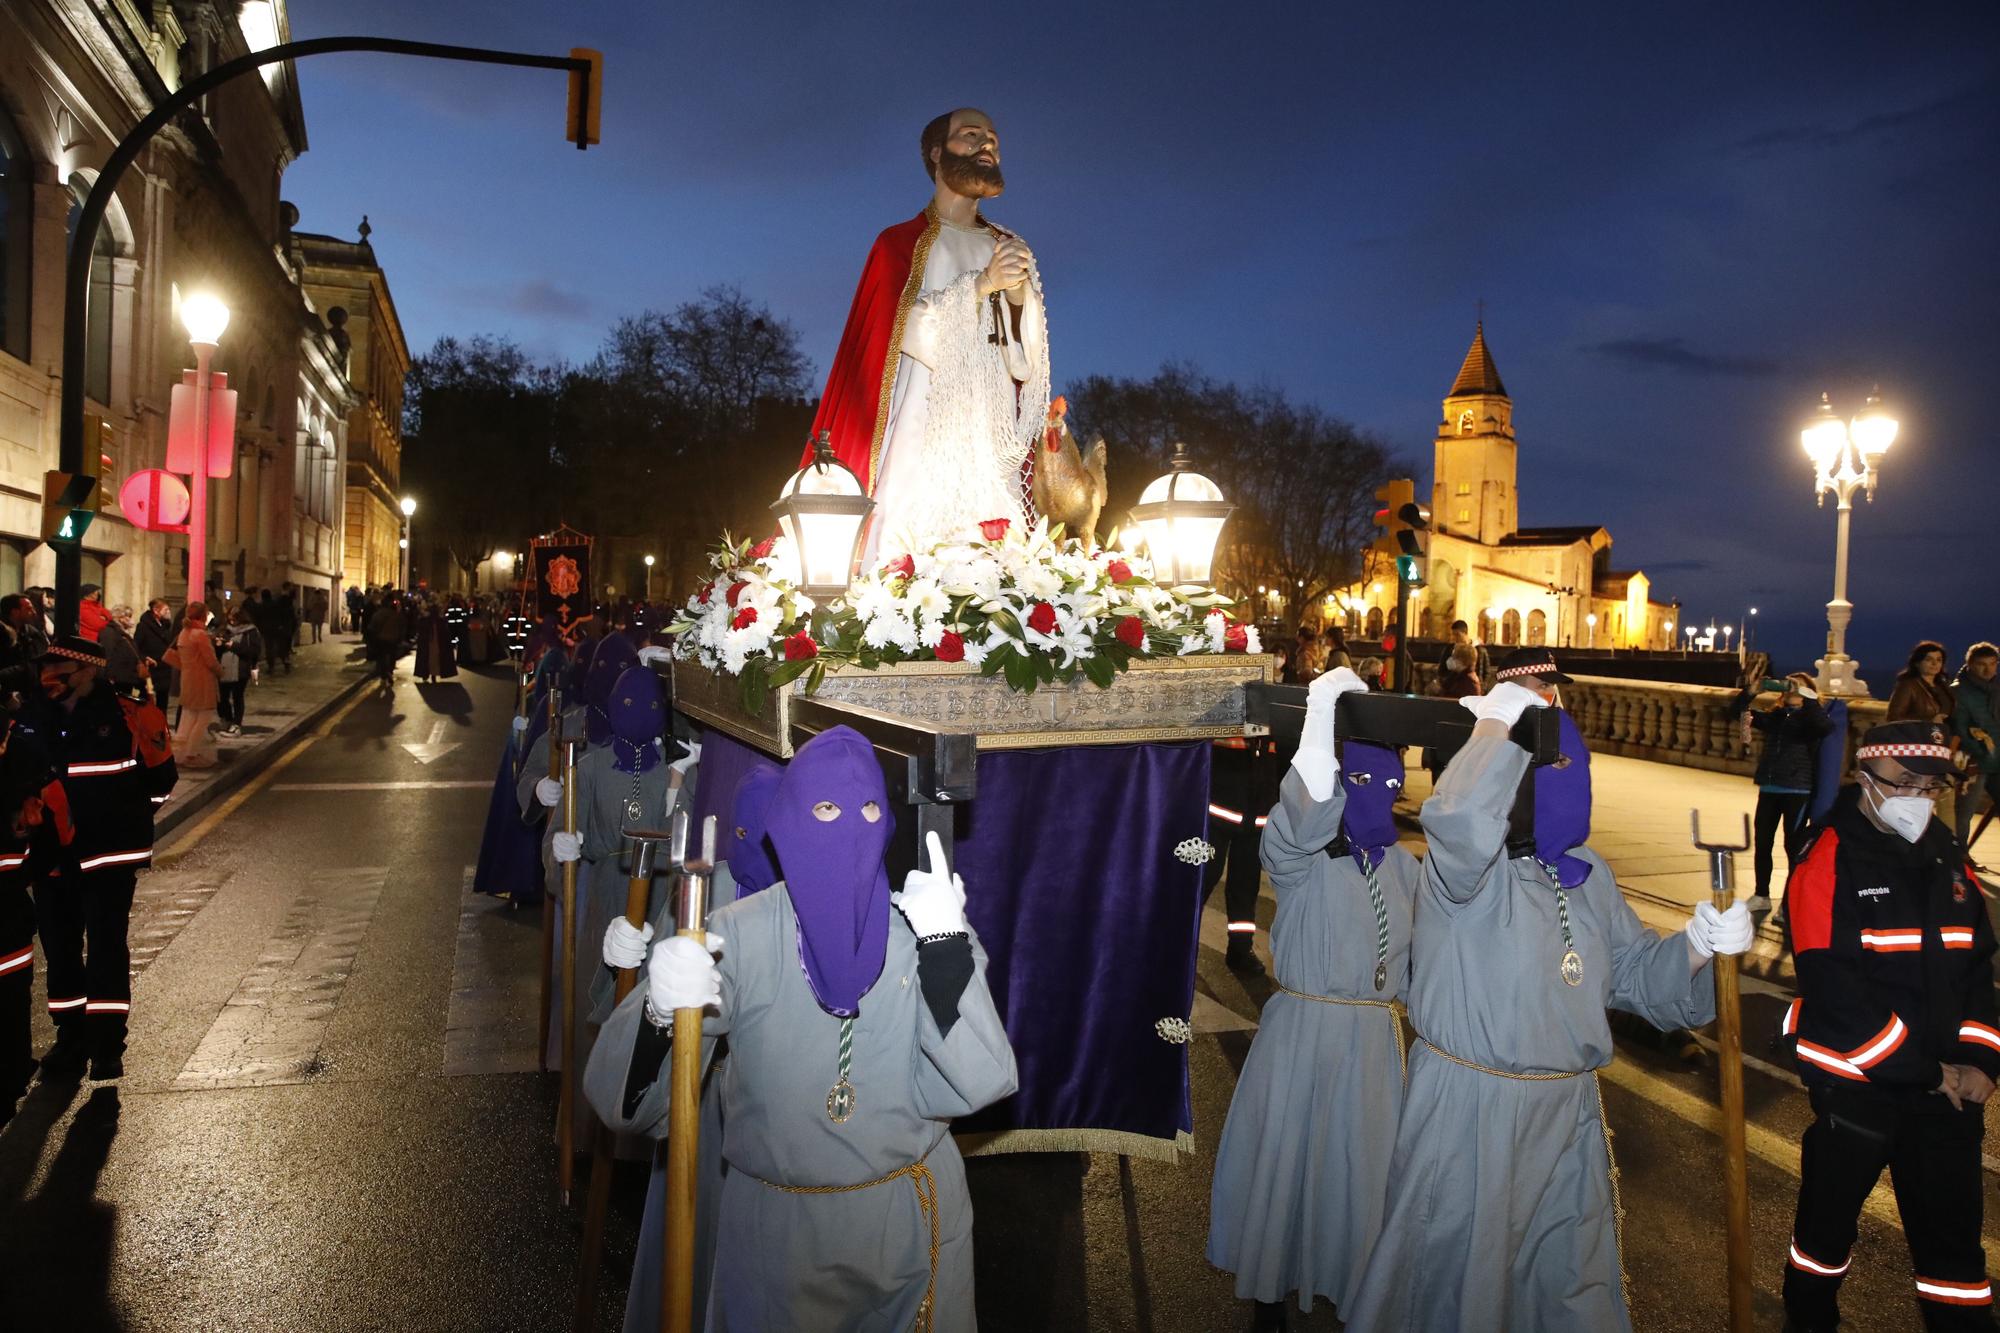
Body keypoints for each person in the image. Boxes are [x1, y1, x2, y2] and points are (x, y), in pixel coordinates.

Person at [1343, 646, 1754, 1332]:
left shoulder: (1587, 873)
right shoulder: (1465, 874)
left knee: (1564, 1286)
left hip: (1566, 1121)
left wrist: (1696, 946)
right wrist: (1494, 727)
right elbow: (1462, 819)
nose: (1568, 775)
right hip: (1473, 1112)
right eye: (1553, 764)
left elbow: (1638, 981)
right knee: (1454, 1288)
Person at [584, 725, 1019, 1331]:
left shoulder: (921, 928)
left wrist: (948, 951)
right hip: (777, 1236)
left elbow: (979, 1084)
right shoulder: (738, 932)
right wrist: (661, 1010)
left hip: (908, 1224)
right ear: (788, 824)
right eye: (823, 808)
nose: (849, 825)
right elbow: (623, 1103)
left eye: (869, 807)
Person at [1207, 667, 1419, 1330]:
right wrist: (1322, 720)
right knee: (1291, 1166)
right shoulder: (1298, 858)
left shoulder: (1407, 868)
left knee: (1358, 1178)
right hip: (1303, 1034)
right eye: (1361, 783)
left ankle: (1353, 1290)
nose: (1375, 797)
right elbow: (1302, 811)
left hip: (1373, 1047)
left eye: (1389, 786)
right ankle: (1270, 1297)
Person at [1780, 720, 1998, 1331]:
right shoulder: (1827, 854)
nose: (1919, 799)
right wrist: (1929, 1071)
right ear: (1865, 778)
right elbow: (1834, 991)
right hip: (1856, 1088)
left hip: (1948, 1093)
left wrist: (1982, 1061)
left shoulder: (1949, 856)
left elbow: (1979, 968)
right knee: (1824, 1239)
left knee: (1954, 1255)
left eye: (1932, 788)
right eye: (1905, 783)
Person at [809, 107, 1051, 560]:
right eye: (972, 135)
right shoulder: (900, 244)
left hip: (989, 421)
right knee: (910, 537)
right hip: (922, 414)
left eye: (994, 140)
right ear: (938, 153)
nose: (987, 146)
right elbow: (898, 331)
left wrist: (1018, 300)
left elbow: (1024, 361)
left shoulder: (1006, 244)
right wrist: (981, 286)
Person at [20, 634, 176, 1081]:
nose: (49, 679)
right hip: (51, 858)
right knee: (60, 949)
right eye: (44, 671)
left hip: (109, 857)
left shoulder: (131, 717)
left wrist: (123, 818)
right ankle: (70, 1039)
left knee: (106, 949)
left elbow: (162, 780)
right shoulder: (30, 720)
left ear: (88, 671)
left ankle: (108, 1047)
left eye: (59, 671)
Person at [0, 717, 65, 1125]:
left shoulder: (23, 777)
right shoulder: (24, 776)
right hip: (8, 911)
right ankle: (10, 1078)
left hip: (9, 914)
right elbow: (46, 849)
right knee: (10, 1002)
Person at [1729, 671, 1835, 914]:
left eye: (1797, 688)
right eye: (1788, 688)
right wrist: (1751, 692)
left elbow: (1825, 727)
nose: (1791, 692)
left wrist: (1807, 697)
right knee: (1763, 842)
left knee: (1793, 846)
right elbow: (1739, 714)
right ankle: (1761, 894)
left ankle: (1790, 902)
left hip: (1797, 789)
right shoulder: (1776, 717)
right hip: (1769, 786)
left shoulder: (1811, 720)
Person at [1952, 643, 1999, 863]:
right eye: (1981, 665)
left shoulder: (1997, 688)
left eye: (1992, 664)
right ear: (1970, 664)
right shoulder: (1959, 690)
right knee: (1964, 812)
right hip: (1973, 760)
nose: (1988, 670)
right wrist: (1980, 750)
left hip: (1996, 758)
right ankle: (1960, 856)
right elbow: (1960, 727)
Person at [165, 603, 221, 768]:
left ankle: (178, 754)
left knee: (188, 716)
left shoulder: (184, 632)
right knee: (203, 717)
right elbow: (210, 660)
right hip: (202, 679)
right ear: (203, 616)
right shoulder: (200, 634)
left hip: (188, 678)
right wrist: (220, 671)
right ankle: (191, 754)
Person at [216, 608, 263, 737]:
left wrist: (234, 646)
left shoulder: (250, 631)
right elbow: (216, 651)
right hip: (223, 668)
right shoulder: (224, 629)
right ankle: (227, 719)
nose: (231, 621)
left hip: (240, 669)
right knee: (222, 697)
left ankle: (236, 724)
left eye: (234, 619)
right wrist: (219, 645)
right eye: (230, 618)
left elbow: (254, 651)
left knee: (237, 697)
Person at [134, 598, 176, 708]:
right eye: (166, 610)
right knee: (148, 700)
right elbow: (136, 646)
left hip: (164, 668)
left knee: (163, 701)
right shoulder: (143, 626)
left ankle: (162, 723)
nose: (168, 613)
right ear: (156, 610)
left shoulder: (166, 626)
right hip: (151, 667)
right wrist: (144, 658)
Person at [365, 594, 408, 692]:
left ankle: (384, 674)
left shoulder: (379, 614)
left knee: (381, 656)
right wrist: (400, 639)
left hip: (381, 639)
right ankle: (390, 671)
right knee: (392, 656)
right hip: (393, 640)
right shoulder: (397, 615)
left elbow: (372, 627)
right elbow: (402, 628)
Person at [415, 599, 458, 684]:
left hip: (431, 644)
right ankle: (431, 675)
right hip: (435, 644)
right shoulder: (438, 621)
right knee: (434, 658)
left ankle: (426, 674)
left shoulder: (429, 621)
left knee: (429, 658)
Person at [1438, 619, 1492, 687]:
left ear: (1465, 633)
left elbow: (1487, 672)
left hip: (1474, 688)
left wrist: (1482, 688)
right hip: (1454, 688)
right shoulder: (1449, 649)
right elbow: (1441, 670)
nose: (1454, 638)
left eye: (1457, 635)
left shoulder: (1480, 650)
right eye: (1452, 635)